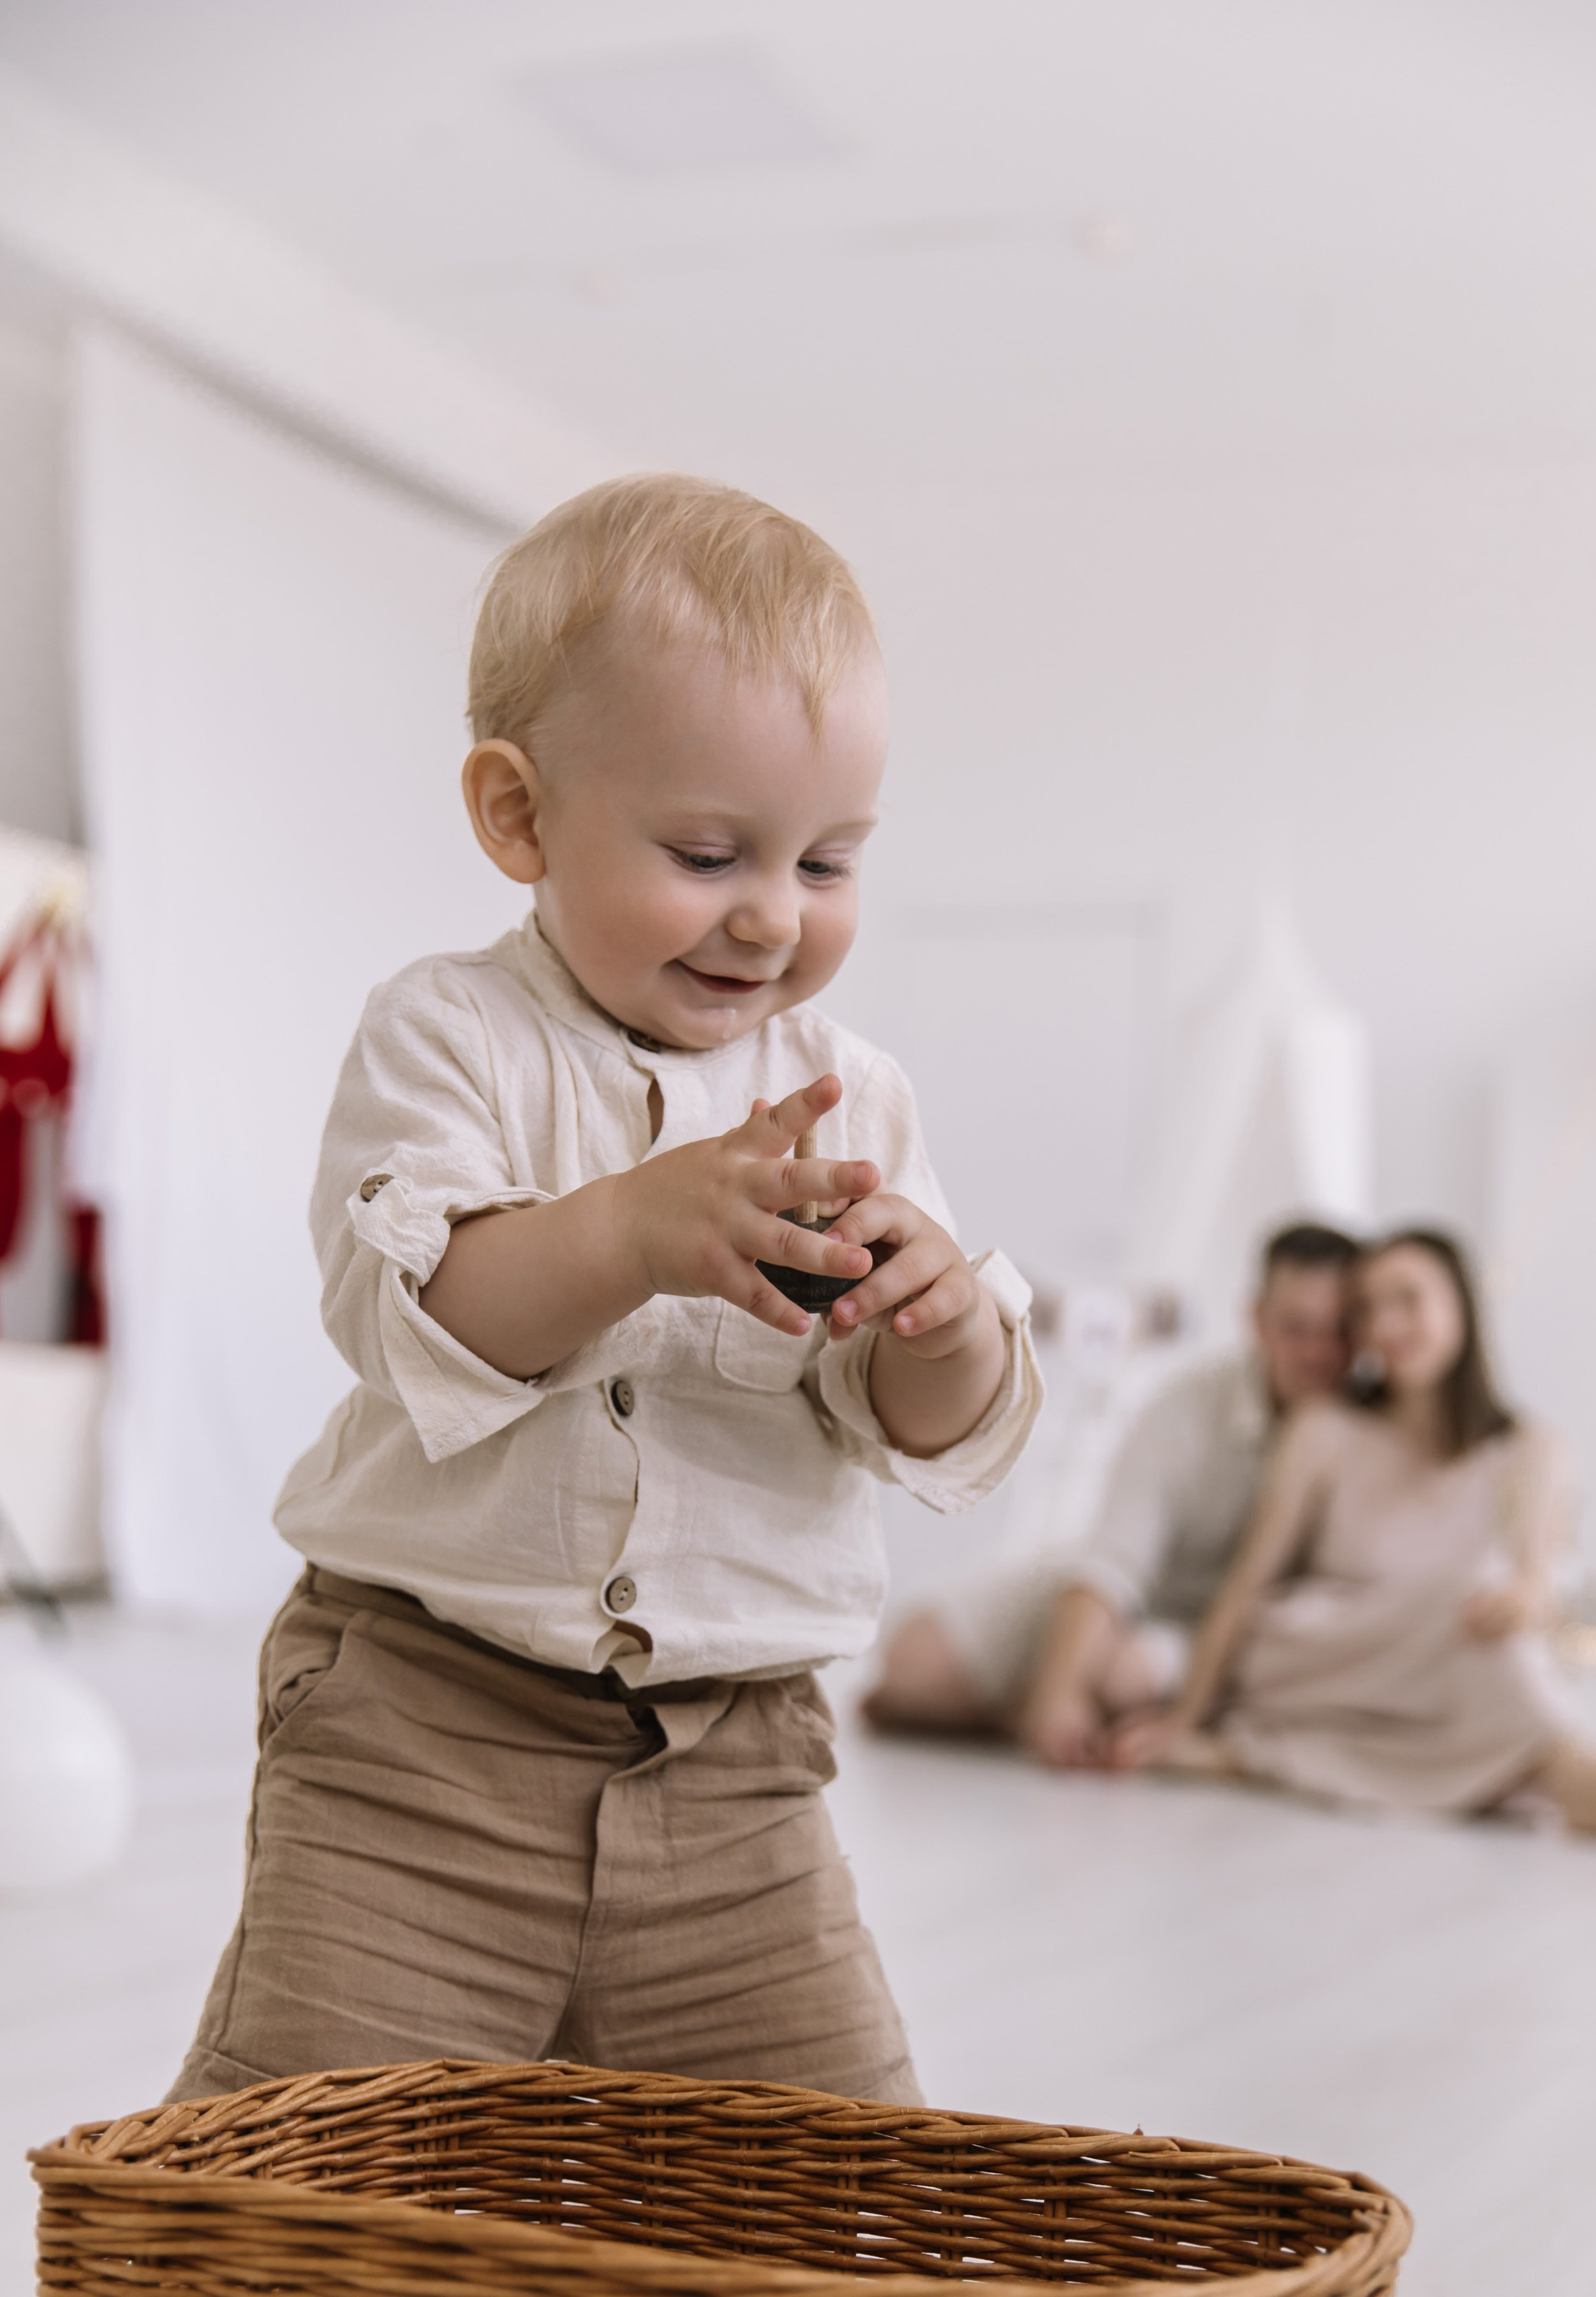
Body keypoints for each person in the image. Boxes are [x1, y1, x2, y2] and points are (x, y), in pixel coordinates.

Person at [169, 474, 1041, 2108]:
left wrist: (950, 1325)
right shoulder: (449, 1036)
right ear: (518, 818)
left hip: (738, 1786)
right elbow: (418, 1318)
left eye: (829, 861)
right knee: (291, 2169)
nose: (773, 915)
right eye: (709, 853)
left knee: (851, 2192)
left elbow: (913, 1428)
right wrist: (631, 1233)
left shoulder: (855, 1096)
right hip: (422, 1743)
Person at [1113, 1229, 1596, 1845]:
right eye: (1368, 1310)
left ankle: (1267, 1757)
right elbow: (1249, 1581)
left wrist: (1521, 1602)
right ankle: (1581, 1780)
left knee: (1490, 1621)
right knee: (1470, 1600)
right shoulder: (1324, 1430)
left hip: (1446, 1667)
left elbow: (1538, 1587)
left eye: (1408, 1300)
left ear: (1461, 1304)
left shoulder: (1532, 1452)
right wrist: (1185, 1717)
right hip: (1318, 1653)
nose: (1386, 1325)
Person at [864, 1221, 1359, 1763]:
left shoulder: (1367, 1429)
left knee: (1127, 1674)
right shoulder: (1189, 1406)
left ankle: (1076, 1703)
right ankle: (1043, 1708)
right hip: (1138, 1591)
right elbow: (1113, 1560)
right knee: (912, 1663)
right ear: (1258, 1321)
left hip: (1213, 1635)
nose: (1318, 1350)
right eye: (1298, 1328)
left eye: (1336, 1330)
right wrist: (1057, 1696)